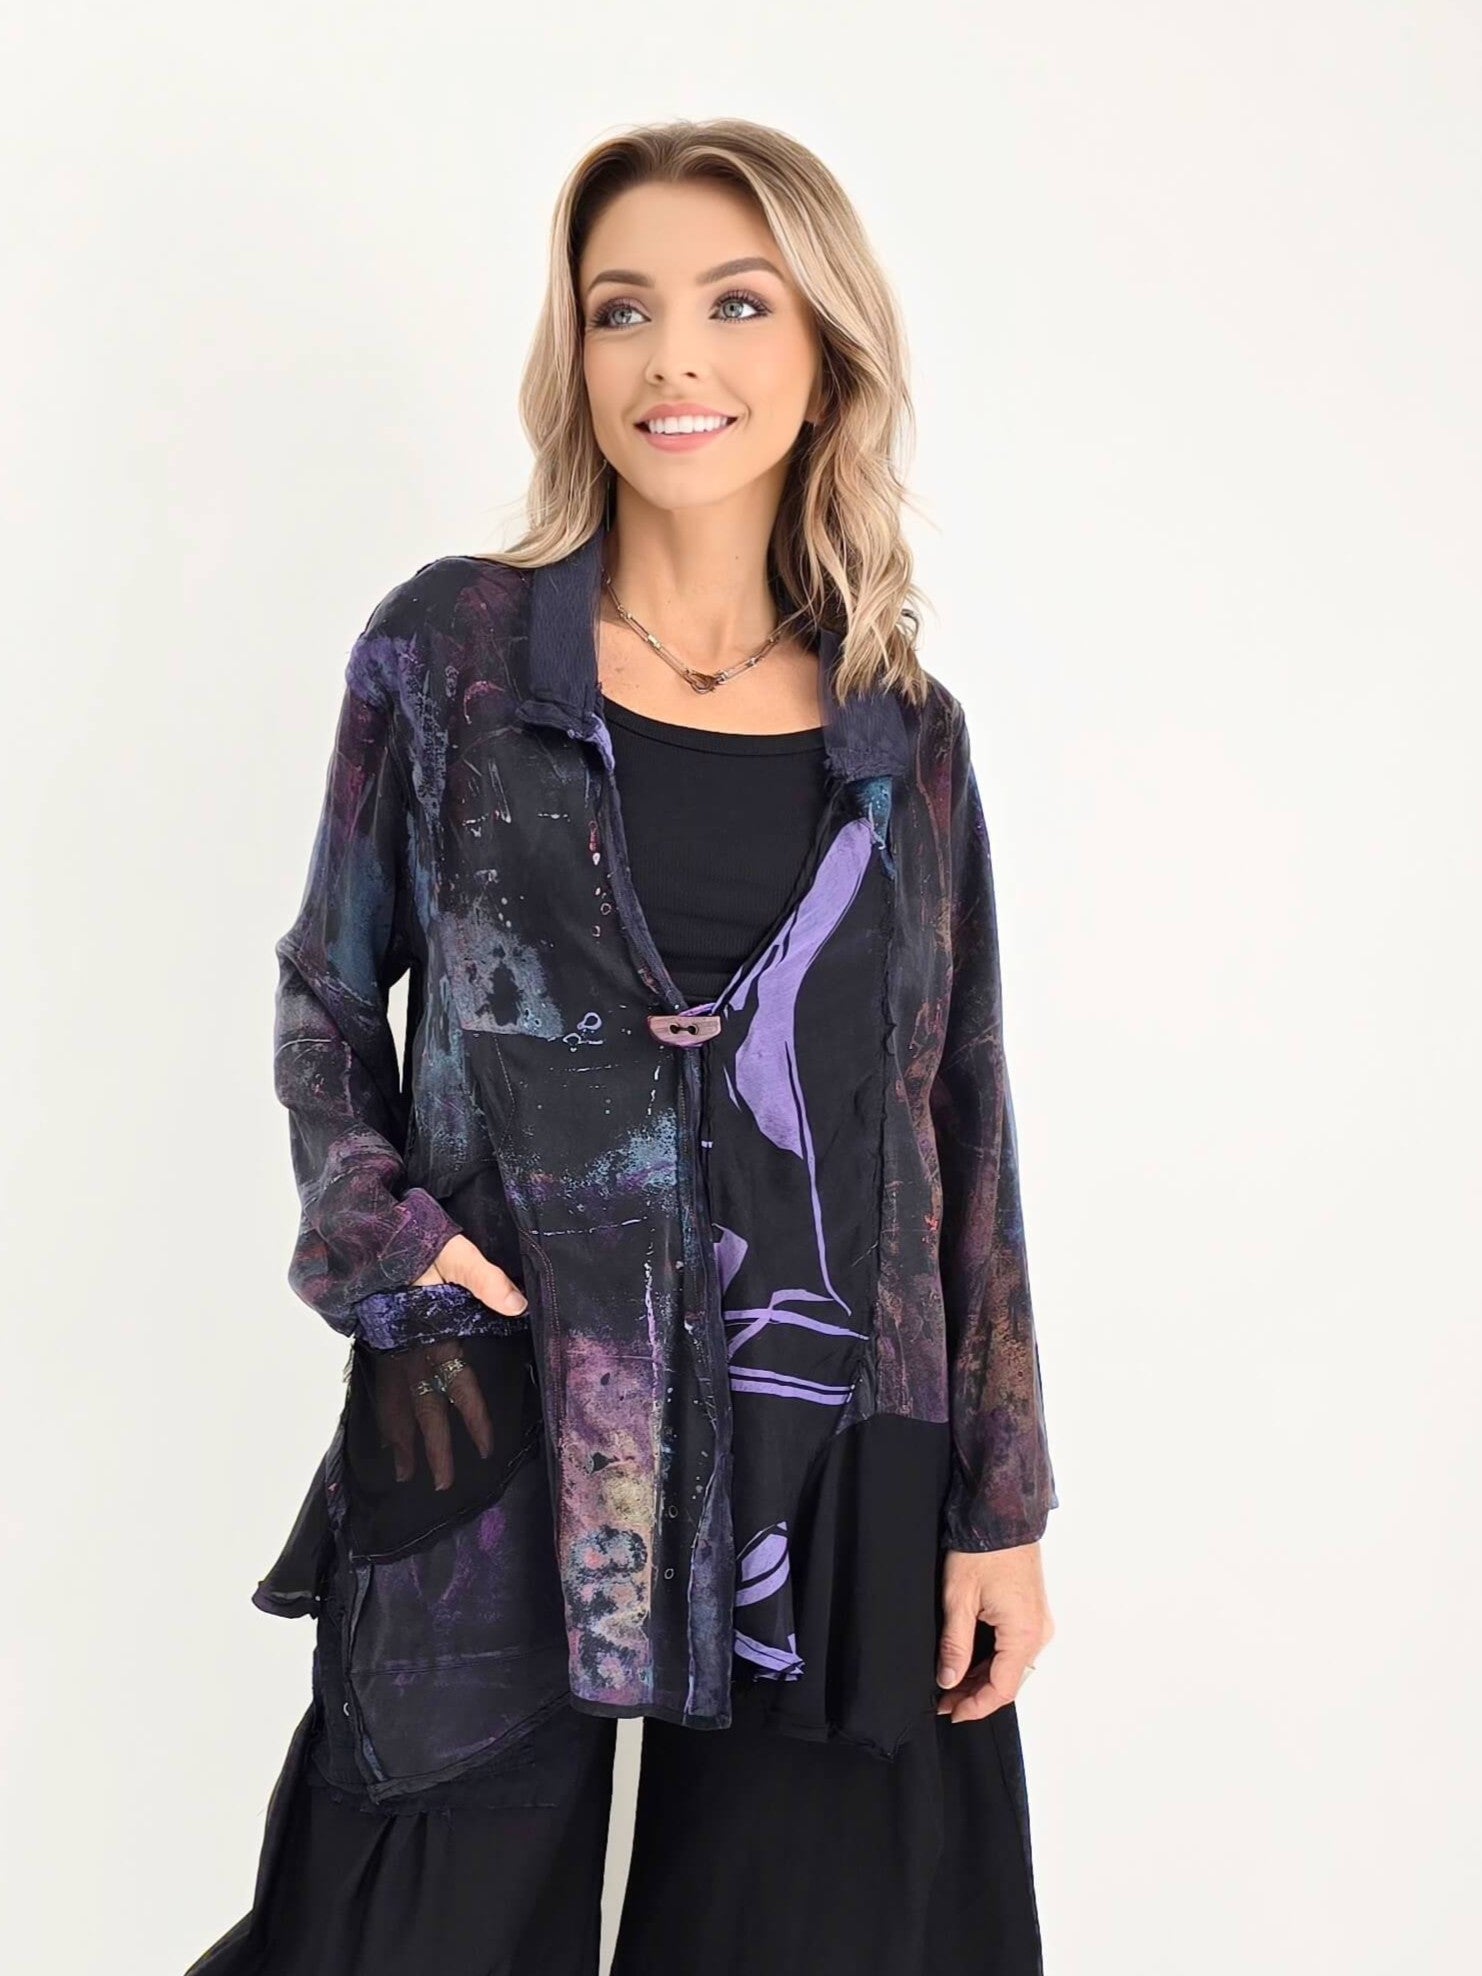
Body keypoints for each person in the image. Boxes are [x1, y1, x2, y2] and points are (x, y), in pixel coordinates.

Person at [186, 115, 1059, 1976]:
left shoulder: (903, 735)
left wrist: (999, 1504)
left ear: (822, 351)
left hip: (841, 1445)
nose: (673, 358)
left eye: (735, 304)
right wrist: (396, 1253)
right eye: (620, 309)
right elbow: (328, 996)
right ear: (573, 354)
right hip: (503, 1416)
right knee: (395, 1926)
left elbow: (959, 1118)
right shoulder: (452, 654)